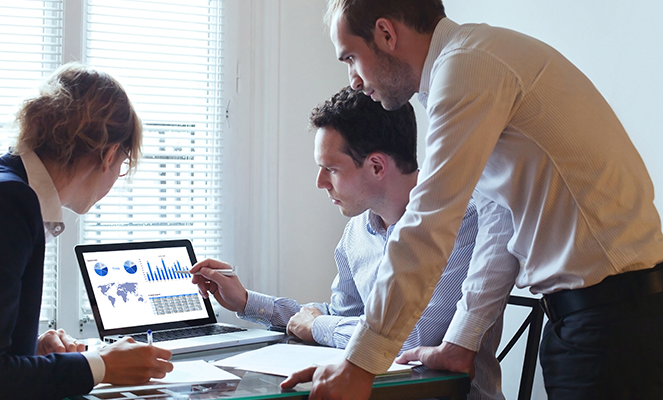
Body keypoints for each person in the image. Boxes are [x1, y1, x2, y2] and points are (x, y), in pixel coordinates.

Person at [282, 1, 663, 399]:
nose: (354, 80)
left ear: (386, 34)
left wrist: (360, 364)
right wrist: (460, 343)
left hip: (612, 323)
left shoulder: (467, 68)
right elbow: (499, 220)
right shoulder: (468, 66)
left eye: (351, 58)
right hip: (592, 320)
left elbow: (427, 224)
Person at [191, 86, 506, 399]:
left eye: (331, 169)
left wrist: (318, 327)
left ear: (377, 167)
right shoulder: (357, 231)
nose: (320, 182)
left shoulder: (463, 221)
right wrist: (246, 301)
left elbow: (409, 340)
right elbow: (341, 316)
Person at [0, 63, 174, 400]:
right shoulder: (5, 203)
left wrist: (30, 350)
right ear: (109, 155)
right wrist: (101, 366)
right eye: (123, 165)